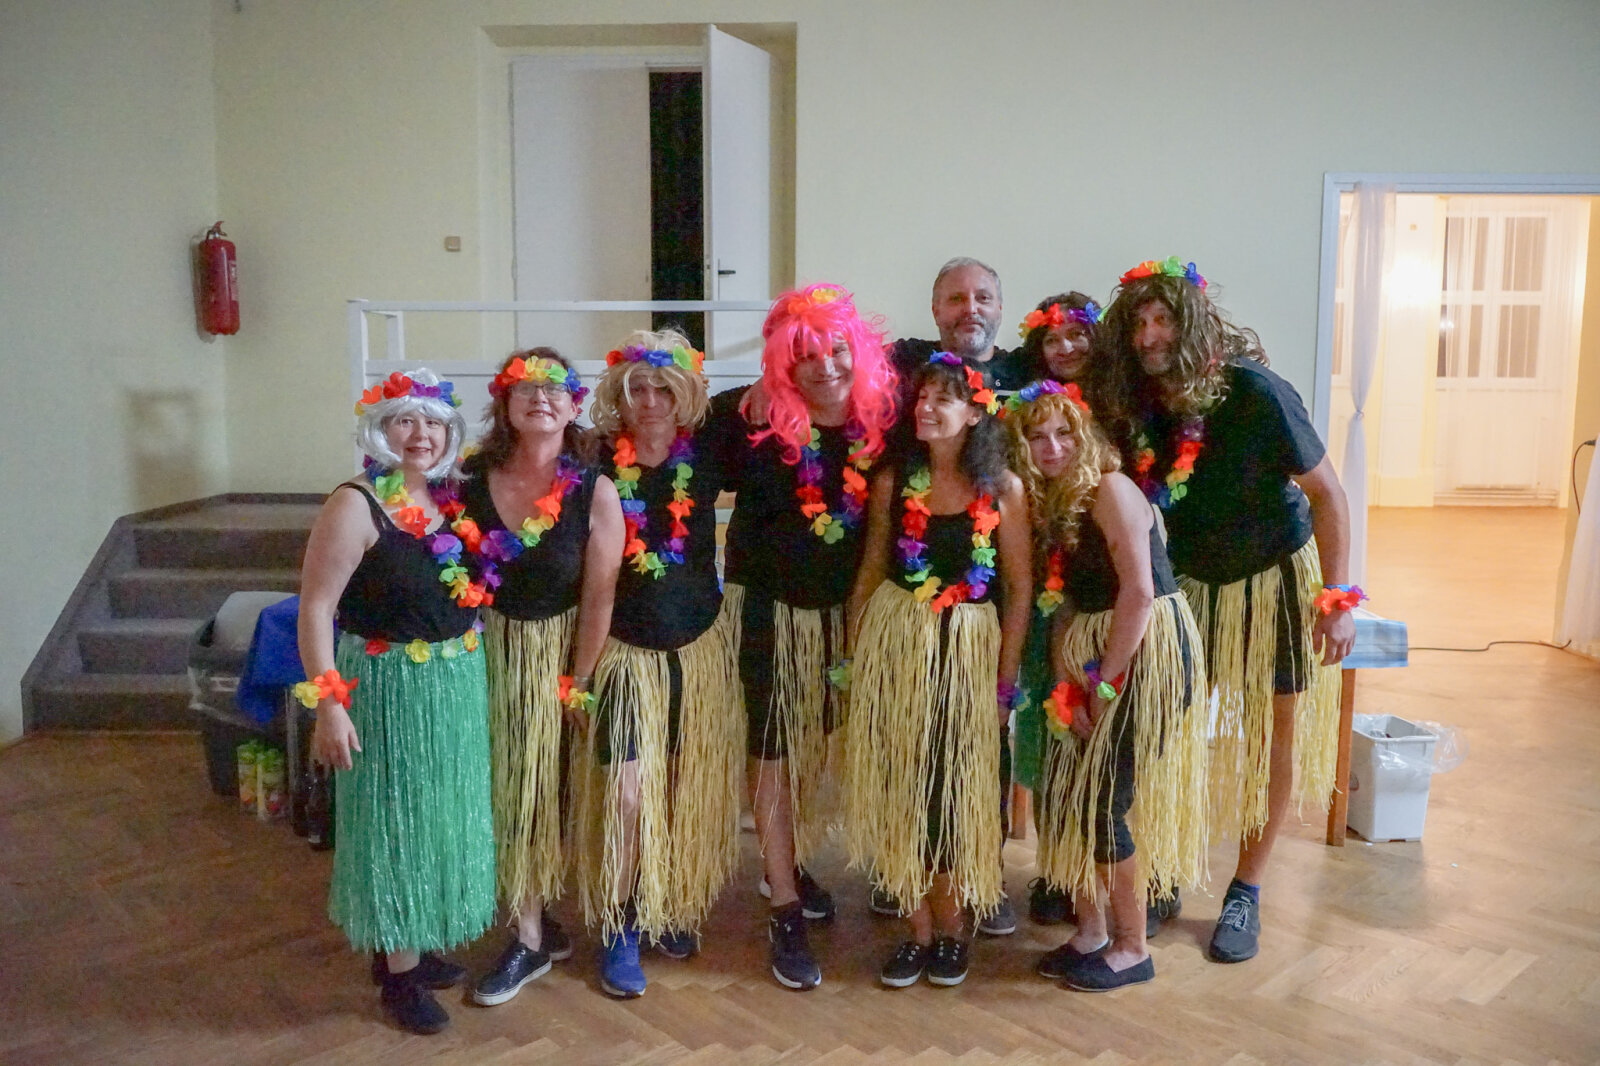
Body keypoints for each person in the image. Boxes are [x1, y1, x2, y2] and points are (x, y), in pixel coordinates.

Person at [1100, 257, 1356, 963]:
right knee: (1165, 731)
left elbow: (1330, 496)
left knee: (1270, 738)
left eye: (1163, 319)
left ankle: (1246, 888)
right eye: (1139, 322)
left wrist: (1337, 602)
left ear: (1192, 323)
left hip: (1274, 581)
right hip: (1191, 588)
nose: (1150, 335)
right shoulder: (1139, 403)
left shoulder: (1255, 392)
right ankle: (1164, 871)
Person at [712, 283, 899, 990]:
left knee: (825, 743)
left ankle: (798, 864)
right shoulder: (749, 418)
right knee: (772, 748)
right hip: (768, 609)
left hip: (851, 617)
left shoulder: (886, 421)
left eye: (837, 349)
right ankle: (785, 904)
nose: (825, 366)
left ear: (861, 351)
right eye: (805, 355)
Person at [297, 369, 495, 1035]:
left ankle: (412, 940)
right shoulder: (354, 504)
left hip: (454, 683)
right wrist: (329, 705)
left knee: (437, 816)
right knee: (394, 820)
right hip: (385, 687)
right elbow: (316, 608)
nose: (421, 434)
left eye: (433, 422)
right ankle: (399, 976)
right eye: (406, 420)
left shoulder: (449, 501)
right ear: (380, 430)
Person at [1002, 379, 1208, 991]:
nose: (1052, 446)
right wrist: (1066, 678)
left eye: (1064, 433)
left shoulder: (1111, 490)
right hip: (1092, 656)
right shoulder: (1056, 502)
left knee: (1103, 800)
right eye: (1037, 437)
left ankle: (1132, 947)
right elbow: (1064, 600)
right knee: (1071, 794)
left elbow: (1139, 594)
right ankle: (1090, 932)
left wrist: (1106, 686)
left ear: (1085, 435)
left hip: (1143, 653)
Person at [843, 353, 1032, 988]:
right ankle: (917, 930)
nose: (925, 407)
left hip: (970, 653)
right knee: (906, 781)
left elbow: (1019, 590)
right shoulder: (895, 481)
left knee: (957, 788)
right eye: (921, 397)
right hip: (899, 647)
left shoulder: (1003, 489)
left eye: (943, 399)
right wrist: (855, 661)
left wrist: (1003, 686)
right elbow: (872, 570)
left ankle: (953, 929)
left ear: (975, 414)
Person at [572, 329, 743, 999]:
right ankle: (618, 925)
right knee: (625, 794)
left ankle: (661, 904)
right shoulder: (594, 461)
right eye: (637, 388)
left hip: (697, 649)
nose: (649, 400)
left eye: (663, 389)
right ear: (619, 396)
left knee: (675, 788)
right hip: (623, 653)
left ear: (684, 396)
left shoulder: (707, 455)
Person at [461, 349, 625, 1006]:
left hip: (555, 654)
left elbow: (600, 595)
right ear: (503, 403)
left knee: (531, 788)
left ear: (573, 404)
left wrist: (575, 680)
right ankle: (532, 921)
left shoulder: (595, 489)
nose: (540, 397)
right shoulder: (468, 480)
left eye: (554, 387)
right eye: (524, 387)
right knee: (498, 788)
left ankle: (528, 936)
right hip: (479, 654)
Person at [1010, 291, 1106, 927]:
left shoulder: (1118, 417)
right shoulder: (1029, 424)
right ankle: (1057, 868)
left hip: (1103, 613)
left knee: (1099, 748)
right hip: (1045, 608)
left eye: (1077, 334)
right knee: (1047, 735)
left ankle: (1127, 878)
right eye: (1052, 338)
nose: (1065, 347)